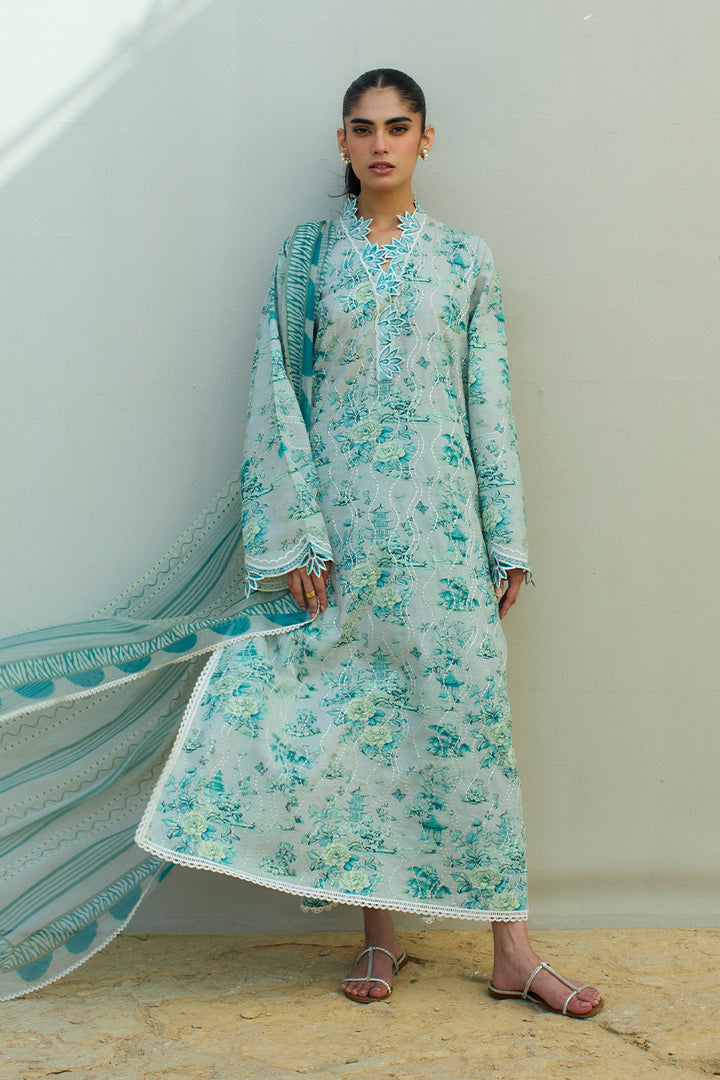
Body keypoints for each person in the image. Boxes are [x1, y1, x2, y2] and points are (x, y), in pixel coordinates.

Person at [134, 68, 603, 1016]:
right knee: (357, 730)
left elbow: (488, 401)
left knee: (470, 726)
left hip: (443, 534)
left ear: (427, 139)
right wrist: (298, 538)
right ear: (342, 143)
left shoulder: (465, 260)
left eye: (397, 127)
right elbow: (278, 394)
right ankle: (379, 938)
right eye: (362, 128)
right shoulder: (306, 258)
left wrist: (506, 540)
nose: (380, 143)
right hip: (341, 537)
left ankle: (513, 952)